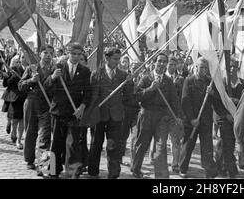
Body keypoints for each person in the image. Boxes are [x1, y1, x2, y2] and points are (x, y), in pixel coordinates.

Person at [131, 53, 181, 178]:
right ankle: (136, 169)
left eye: (164, 61)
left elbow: (174, 100)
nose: (162, 64)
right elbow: (136, 96)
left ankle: (161, 175)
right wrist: (150, 89)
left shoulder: (168, 81)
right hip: (146, 115)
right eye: (159, 61)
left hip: (162, 118)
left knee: (161, 146)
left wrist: (179, 116)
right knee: (142, 144)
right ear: (154, 63)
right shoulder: (146, 78)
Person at [86, 47, 133, 179]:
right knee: (96, 144)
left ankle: (113, 173)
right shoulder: (96, 74)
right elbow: (92, 96)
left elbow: (129, 96)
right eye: (115, 59)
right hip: (99, 115)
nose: (118, 62)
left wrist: (129, 83)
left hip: (116, 116)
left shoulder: (123, 75)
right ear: (107, 58)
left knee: (113, 145)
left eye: (119, 59)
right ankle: (93, 172)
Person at [47, 42, 92, 179]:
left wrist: (82, 107)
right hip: (59, 111)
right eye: (73, 54)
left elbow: (88, 94)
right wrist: (53, 77)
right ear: (68, 53)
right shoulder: (58, 67)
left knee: (72, 144)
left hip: (74, 113)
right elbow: (46, 86)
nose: (76, 57)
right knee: (56, 142)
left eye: (79, 54)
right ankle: (53, 170)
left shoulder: (85, 71)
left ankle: (72, 173)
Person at [179, 57, 225, 178]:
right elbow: (185, 101)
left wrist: (213, 94)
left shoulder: (211, 82)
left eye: (206, 67)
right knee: (188, 145)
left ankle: (209, 171)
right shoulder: (189, 81)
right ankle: (182, 167)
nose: (204, 70)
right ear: (196, 68)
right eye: (201, 67)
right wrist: (191, 118)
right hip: (192, 120)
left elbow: (217, 102)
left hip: (205, 120)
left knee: (207, 146)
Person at [18, 45, 55, 172]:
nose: (48, 55)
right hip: (32, 104)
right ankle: (29, 160)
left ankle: (44, 167)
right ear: (40, 54)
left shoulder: (55, 70)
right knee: (30, 133)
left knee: (45, 136)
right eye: (45, 52)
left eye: (51, 53)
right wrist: (31, 80)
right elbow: (21, 86)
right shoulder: (32, 68)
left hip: (47, 105)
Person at [214, 58, 244, 178]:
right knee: (228, 144)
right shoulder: (221, 84)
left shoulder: (243, 84)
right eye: (229, 67)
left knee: (232, 145)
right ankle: (231, 171)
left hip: (238, 119)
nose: (232, 69)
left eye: (234, 67)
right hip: (225, 120)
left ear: (237, 68)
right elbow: (216, 103)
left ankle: (223, 166)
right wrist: (225, 115)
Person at [1, 54, 28, 149]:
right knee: (15, 119)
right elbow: (6, 84)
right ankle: (13, 131)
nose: (24, 59)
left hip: (25, 98)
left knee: (23, 120)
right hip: (14, 98)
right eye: (22, 57)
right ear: (20, 59)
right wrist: (8, 76)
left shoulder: (31, 69)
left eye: (26, 57)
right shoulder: (13, 69)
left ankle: (19, 140)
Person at [166, 55, 185, 174]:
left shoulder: (180, 79)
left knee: (175, 140)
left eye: (174, 64)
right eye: (170, 64)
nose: (172, 67)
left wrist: (180, 115)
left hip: (175, 114)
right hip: (162, 113)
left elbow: (183, 98)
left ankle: (175, 164)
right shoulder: (160, 77)